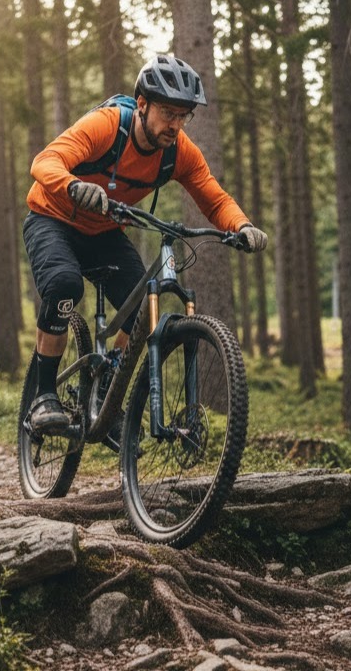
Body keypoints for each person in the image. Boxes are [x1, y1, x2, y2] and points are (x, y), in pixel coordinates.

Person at [22, 53, 268, 437]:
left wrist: (243, 226)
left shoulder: (179, 152)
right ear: (142, 104)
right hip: (53, 218)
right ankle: (44, 397)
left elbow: (215, 199)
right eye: (168, 113)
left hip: (103, 232)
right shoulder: (107, 127)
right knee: (64, 286)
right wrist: (73, 185)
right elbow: (45, 160)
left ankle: (107, 390)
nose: (176, 124)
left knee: (143, 306)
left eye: (184, 115)